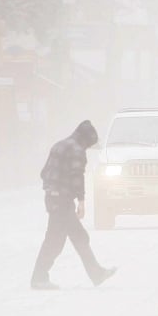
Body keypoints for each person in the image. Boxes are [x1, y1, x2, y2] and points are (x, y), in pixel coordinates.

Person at [31, 120, 116, 290]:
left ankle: (95, 273)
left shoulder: (58, 146)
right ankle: (39, 278)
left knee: (65, 238)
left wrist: (52, 188)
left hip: (52, 198)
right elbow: (77, 176)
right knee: (67, 238)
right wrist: (81, 201)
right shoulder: (77, 150)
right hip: (63, 201)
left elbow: (43, 173)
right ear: (86, 140)